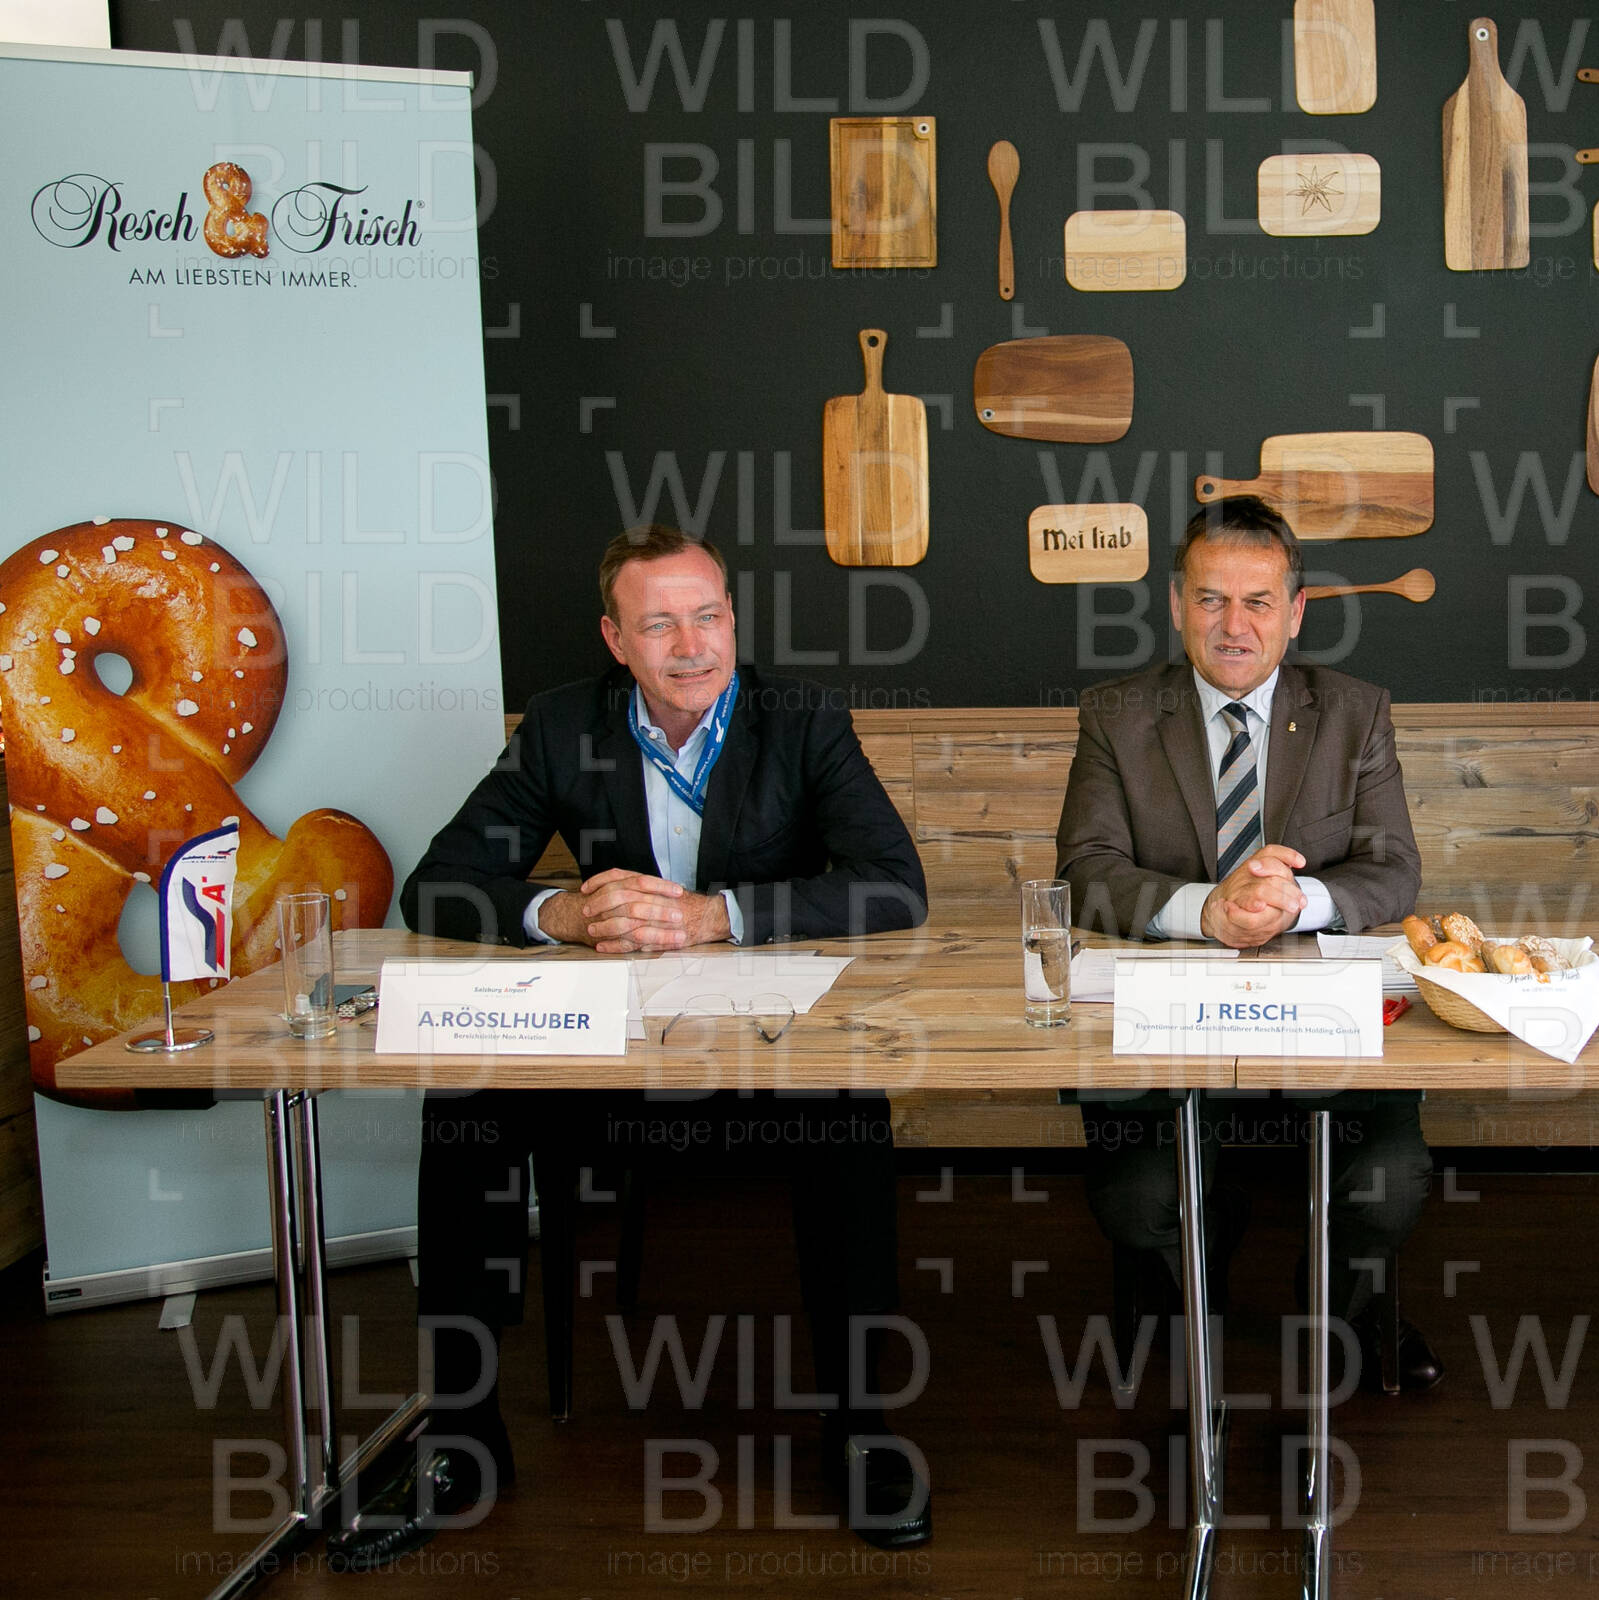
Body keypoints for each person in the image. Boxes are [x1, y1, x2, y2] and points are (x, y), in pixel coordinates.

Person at [328, 525, 932, 1568]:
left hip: (766, 1054)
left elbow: (894, 886)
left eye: (709, 617)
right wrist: (558, 913)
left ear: (733, 620)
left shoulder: (801, 718)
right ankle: (463, 1436)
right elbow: (437, 886)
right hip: (608, 1063)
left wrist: (719, 916)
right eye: (660, 625)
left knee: (850, 1109)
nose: (692, 646)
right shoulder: (565, 724)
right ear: (616, 639)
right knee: (463, 1102)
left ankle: (860, 1427)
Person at [1054, 496, 1442, 1392]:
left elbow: (1394, 869)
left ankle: (1341, 1310)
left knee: (1388, 1180)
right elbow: (1086, 868)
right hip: (1168, 1022)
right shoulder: (1117, 714)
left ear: (1295, 612)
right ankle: (1192, 1283)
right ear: (1177, 604)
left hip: (1325, 1013)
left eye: (1258, 602)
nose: (1234, 626)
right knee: (1137, 1199)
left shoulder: (1355, 712)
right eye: (1211, 599)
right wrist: (1207, 912)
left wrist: (1295, 901)